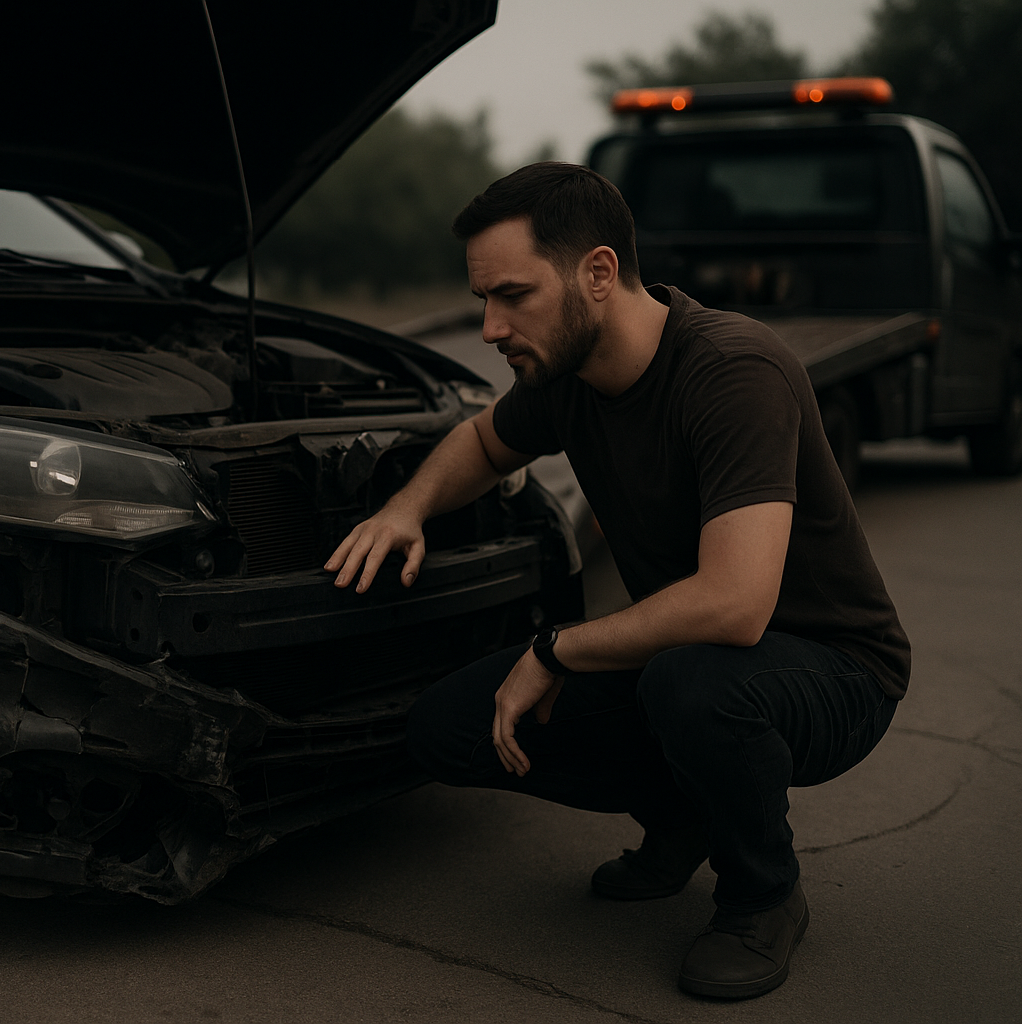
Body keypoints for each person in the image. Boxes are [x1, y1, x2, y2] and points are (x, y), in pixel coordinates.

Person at [325, 162, 909, 1000]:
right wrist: (405, 509)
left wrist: (556, 651)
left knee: (693, 684)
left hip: (837, 668)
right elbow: (483, 444)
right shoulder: (565, 379)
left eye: (512, 296)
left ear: (597, 273)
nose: (490, 327)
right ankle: (684, 812)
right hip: (696, 653)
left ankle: (762, 894)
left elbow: (736, 606)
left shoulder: (732, 371)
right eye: (483, 299)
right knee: (448, 728)